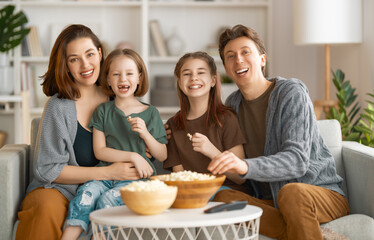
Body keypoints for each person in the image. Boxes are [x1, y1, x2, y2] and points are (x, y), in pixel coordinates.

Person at [207, 24, 350, 240]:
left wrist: (246, 166)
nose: (239, 60)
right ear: (226, 68)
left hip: (317, 194)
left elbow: (297, 161)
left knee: (292, 192)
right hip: (271, 201)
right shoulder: (232, 104)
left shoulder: (290, 92)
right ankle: (307, 232)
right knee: (223, 197)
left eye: (246, 52)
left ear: (262, 59)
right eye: (230, 56)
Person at [15, 25, 140, 240]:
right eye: (74, 59)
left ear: (100, 54)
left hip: (108, 190)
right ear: (66, 65)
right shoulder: (58, 106)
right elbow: (48, 169)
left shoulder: (119, 98)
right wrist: (107, 172)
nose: (85, 65)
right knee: (45, 208)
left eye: (90, 54)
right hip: (58, 190)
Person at [61, 48, 167, 240]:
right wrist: (133, 156)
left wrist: (145, 133)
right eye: (116, 74)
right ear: (108, 79)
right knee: (86, 193)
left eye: (129, 73)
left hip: (137, 180)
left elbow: (162, 155)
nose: (122, 79)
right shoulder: (102, 111)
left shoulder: (151, 113)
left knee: (108, 200)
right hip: (105, 175)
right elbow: (100, 151)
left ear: (139, 78)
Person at [164, 51, 248, 193]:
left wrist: (212, 151)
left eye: (201, 72)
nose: (193, 78)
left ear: (213, 80)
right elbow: (180, 178)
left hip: (227, 193)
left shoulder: (227, 118)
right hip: (194, 194)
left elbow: (240, 177)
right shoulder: (173, 125)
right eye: (186, 74)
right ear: (179, 82)